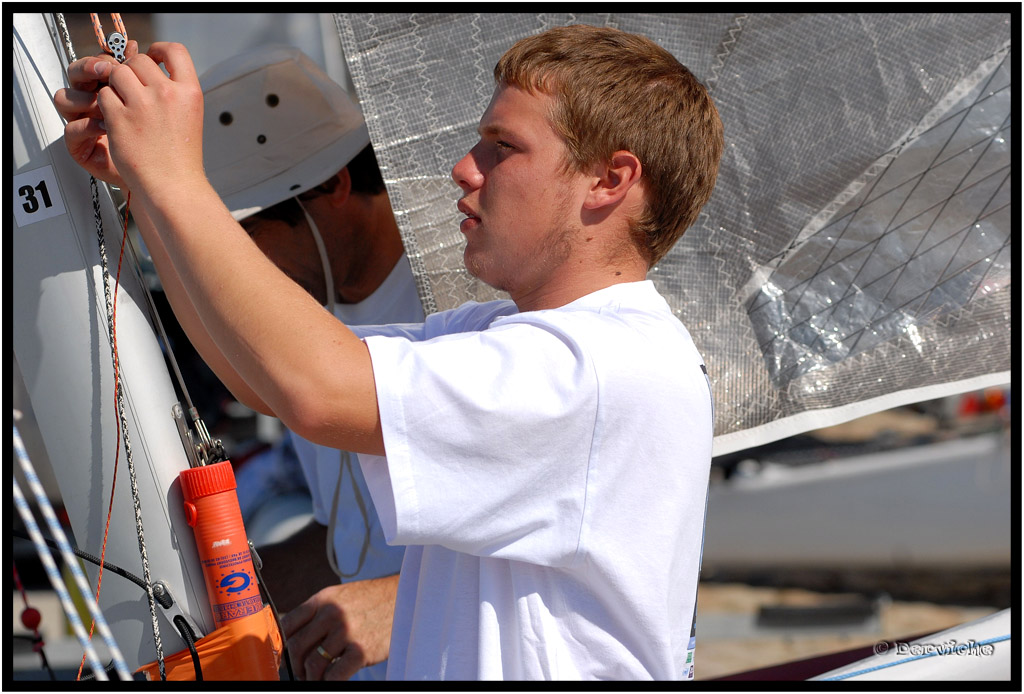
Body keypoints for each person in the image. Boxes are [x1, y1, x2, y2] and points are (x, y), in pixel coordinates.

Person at [56, 23, 723, 679]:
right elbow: (269, 382)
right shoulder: (508, 336)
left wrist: (175, 180)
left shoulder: (602, 368)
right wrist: (148, 188)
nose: (464, 167)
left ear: (609, 181)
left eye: (502, 146)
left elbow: (317, 390)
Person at [57, 43, 419, 681]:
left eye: (240, 236)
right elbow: (351, 539)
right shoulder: (316, 301)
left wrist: (400, 602)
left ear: (331, 188)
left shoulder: (463, 307)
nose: (229, 265)